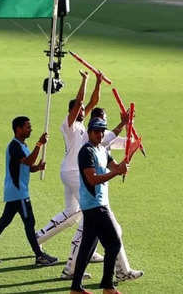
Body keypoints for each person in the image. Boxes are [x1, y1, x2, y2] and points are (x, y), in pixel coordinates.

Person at [35, 71, 104, 280]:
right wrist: (84, 80)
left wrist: (98, 82)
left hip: (70, 172)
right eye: (80, 109)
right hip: (74, 173)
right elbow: (81, 102)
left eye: (83, 110)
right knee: (89, 214)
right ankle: (77, 260)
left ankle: (36, 238)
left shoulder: (82, 124)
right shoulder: (68, 124)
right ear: (72, 111)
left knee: (71, 211)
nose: (84, 111)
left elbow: (92, 101)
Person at [0, 116, 58, 266]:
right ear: (18, 129)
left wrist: (37, 168)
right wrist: (39, 144)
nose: (30, 129)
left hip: (15, 192)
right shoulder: (15, 146)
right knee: (29, 223)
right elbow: (28, 161)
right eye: (27, 127)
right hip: (19, 193)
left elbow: (26, 166)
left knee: (4, 221)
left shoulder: (22, 145)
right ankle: (39, 256)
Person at [70, 118, 128, 294]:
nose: (100, 134)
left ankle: (76, 289)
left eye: (102, 131)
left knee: (87, 248)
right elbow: (92, 179)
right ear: (89, 132)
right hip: (95, 205)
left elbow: (115, 166)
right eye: (97, 131)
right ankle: (108, 286)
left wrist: (122, 168)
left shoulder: (102, 149)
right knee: (114, 243)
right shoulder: (86, 152)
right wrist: (115, 172)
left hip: (95, 205)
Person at [86, 108, 144, 284]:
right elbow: (111, 141)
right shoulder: (90, 146)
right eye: (100, 127)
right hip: (94, 198)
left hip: (98, 197)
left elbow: (124, 146)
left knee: (88, 239)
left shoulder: (102, 145)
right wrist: (124, 123)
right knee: (112, 236)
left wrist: (131, 149)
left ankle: (74, 273)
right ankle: (113, 278)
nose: (103, 131)